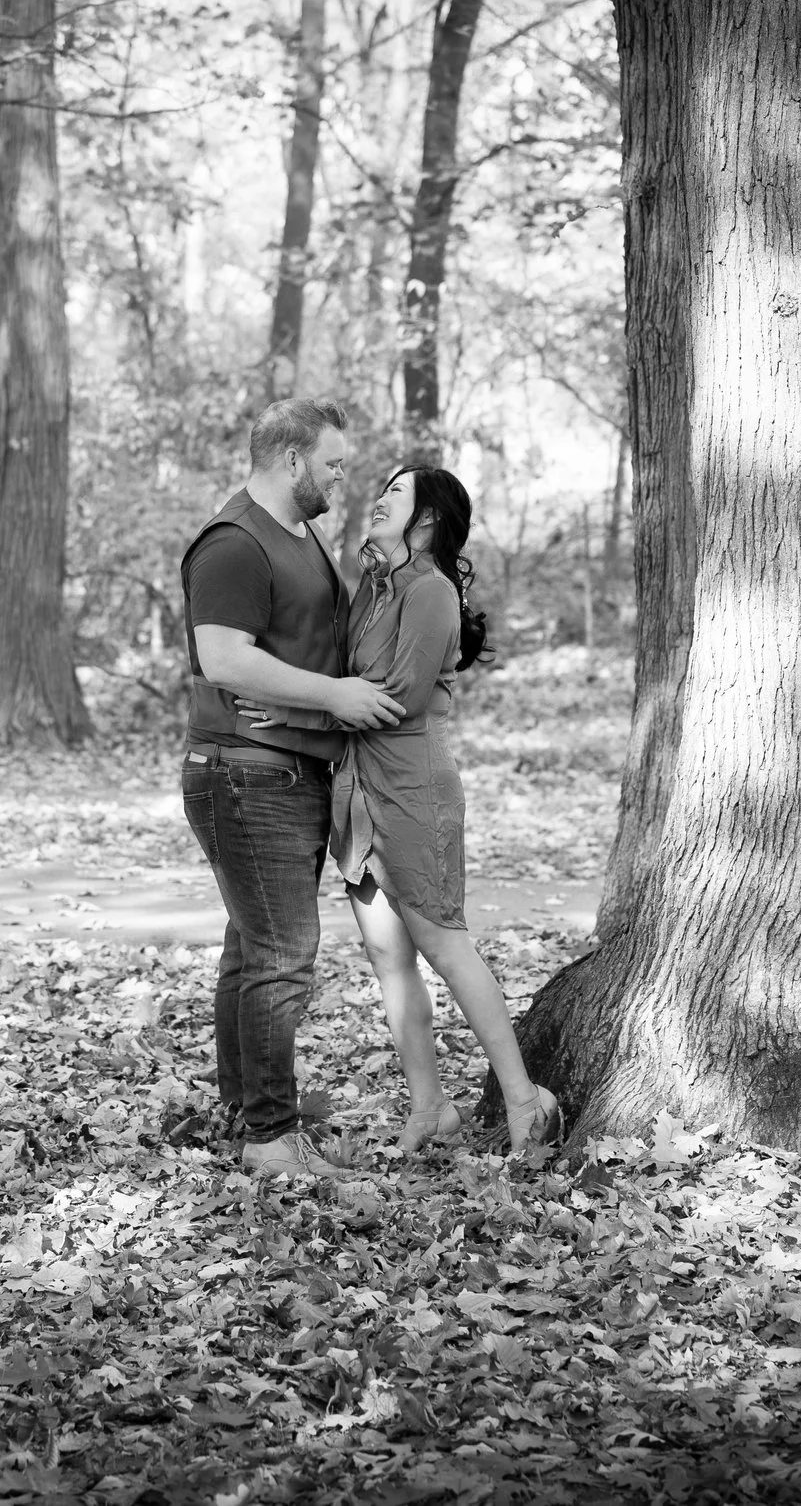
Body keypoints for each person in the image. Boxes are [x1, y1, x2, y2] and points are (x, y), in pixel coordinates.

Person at [243, 464, 558, 1158]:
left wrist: (292, 710)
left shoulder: (431, 590)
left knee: (444, 944)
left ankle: (524, 1098)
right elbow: (346, 683)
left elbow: (396, 700)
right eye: (384, 487)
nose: (381, 498)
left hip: (415, 789)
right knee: (389, 958)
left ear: (428, 518)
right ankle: (430, 1107)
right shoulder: (375, 586)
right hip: (358, 789)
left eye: (397, 491)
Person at [181, 398, 404, 1179]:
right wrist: (332, 696)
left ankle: (245, 1111)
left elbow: (304, 642)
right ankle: (272, 1138)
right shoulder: (234, 542)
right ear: (291, 459)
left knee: (252, 952)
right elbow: (223, 658)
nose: (343, 477)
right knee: (281, 957)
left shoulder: (300, 536)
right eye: (333, 463)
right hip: (246, 773)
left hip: (284, 768)